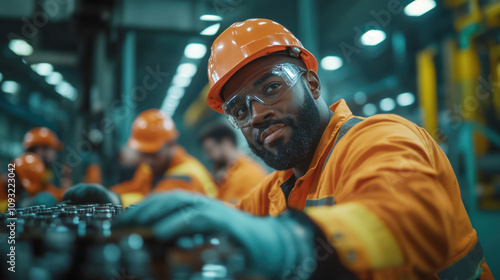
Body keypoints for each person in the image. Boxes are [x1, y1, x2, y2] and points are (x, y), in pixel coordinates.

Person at [118, 18, 492, 279]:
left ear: (312, 84)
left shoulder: (381, 139)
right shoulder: (277, 189)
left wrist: (289, 244)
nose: (259, 114)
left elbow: (413, 219)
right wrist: (123, 220)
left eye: (271, 88)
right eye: (240, 110)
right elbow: (225, 227)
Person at [64, 109, 217, 207]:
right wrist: (106, 192)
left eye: (154, 155)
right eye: (144, 154)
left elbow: (157, 204)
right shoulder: (151, 166)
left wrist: (114, 199)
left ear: (171, 145)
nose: (148, 161)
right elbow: (136, 188)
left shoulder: (188, 175)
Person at [199, 122, 267, 204]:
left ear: (226, 143)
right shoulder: (225, 175)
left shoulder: (248, 174)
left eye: (210, 150)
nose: (208, 156)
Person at [22, 127, 72, 198]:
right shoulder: (30, 171)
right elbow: (48, 196)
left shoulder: (43, 171)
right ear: (41, 150)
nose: (55, 154)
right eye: (53, 149)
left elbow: (50, 191)